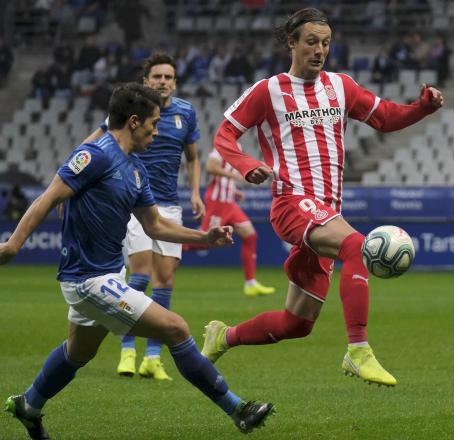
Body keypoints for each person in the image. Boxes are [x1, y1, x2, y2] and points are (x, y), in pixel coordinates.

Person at [1, 84, 274, 439]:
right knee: (175, 328)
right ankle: (238, 409)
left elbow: (156, 225)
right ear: (133, 121)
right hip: (87, 280)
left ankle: (29, 405)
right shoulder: (93, 155)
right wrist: (12, 246)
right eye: (153, 123)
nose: (157, 131)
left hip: (109, 272)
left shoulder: (135, 169)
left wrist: (204, 237)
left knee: (77, 353)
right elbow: (48, 198)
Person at [200, 7, 444, 387]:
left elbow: (386, 117)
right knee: (357, 247)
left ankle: (223, 336)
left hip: (326, 210)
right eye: (311, 41)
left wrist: (423, 108)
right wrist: (246, 164)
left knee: (296, 324)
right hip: (292, 202)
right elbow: (224, 136)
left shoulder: (341, 86)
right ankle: (358, 350)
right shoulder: (269, 90)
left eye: (326, 43)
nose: (319, 50)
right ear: (292, 43)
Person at [83, 52, 206, 381]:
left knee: (164, 280)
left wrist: (195, 192)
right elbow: (94, 142)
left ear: (175, 82)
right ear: (146, 81)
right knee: (140, 275)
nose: (163, 82)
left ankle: (152, 357)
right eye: (157, 77)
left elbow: (193, 158)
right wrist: (75, 170)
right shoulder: (133, 112)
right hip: (134, 204)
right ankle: (127, 352)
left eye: (169, 77)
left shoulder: (185, 113)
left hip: (169, 204)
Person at [184, 146, 276, 297]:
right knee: (205, 241)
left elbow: (223, 176)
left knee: (250, 235)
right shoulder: (222, 147)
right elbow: (210, 167)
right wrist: (236, 178)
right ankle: (170, 248)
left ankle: (250, 283)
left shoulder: (237, 147)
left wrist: (233, 190)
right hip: (218, 203)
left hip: (229, 202)